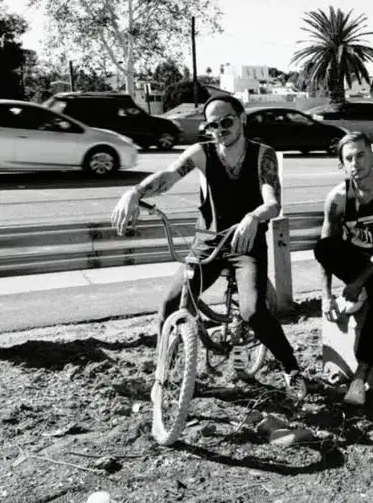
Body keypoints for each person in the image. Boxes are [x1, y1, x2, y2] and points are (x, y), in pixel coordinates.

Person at [111, 94, 307, 401]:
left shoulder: (262, 155)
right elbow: (169, 175)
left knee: (254, 310)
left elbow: (273, 202)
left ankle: (291, 368)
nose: (219, 129)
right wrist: (135, 192)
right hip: (207, 244)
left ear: (242, 119)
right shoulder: (202, 152)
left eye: (226, 121)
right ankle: (164, 372)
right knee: (171, 303)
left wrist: (254, 216)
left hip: (246, 244)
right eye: (212, 125)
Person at [314, 131, 373, 406]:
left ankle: (361, 375)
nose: (355, 163)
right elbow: (325, 247)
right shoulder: (337, 198)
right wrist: (326, 296)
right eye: (349, 159)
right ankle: (364, 289)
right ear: (342, 165)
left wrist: (358, 284)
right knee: (323, 247)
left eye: (361, 155)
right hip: (354, 264)